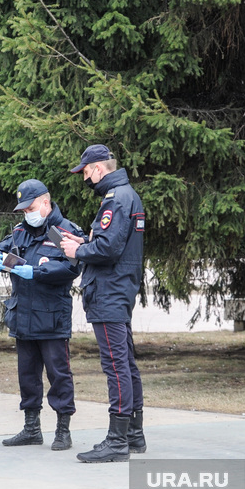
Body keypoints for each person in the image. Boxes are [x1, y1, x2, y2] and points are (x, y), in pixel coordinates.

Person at [61, 144, 147, 463]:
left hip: (110, 290)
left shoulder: (117, 198)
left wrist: (77, 252)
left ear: (99, 168)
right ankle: (134, 435)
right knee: (126, 362)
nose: (85, 178)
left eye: (85, 171)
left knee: (116, 364)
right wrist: (84, 242)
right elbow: (112, 243)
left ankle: (117, 441)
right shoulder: (125, 195)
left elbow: (109, 249)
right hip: (117, 289)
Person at [0, 179, 84, 451]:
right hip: (23, 317)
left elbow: (73, 268)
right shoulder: (20, 232)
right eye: (23, 209)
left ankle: (63, 430)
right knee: (27, 375)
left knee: (58, 375)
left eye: (30, 207)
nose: (27, 213)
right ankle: (31, 429)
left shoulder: (66, 232)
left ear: (45, 203)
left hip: (51, 317)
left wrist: (37, 272)